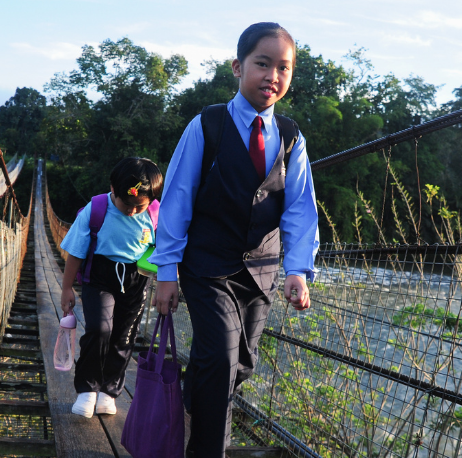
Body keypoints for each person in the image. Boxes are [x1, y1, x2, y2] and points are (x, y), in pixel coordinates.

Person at [148, 22, 320, 457]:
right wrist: (166, 273)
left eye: (284, 68)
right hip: (207, 267)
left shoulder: (291, 136)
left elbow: (299, 206)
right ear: (237, 67)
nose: (272, 77)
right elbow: (176, 201)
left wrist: (298, 269)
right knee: (222, 360)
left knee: (240, 365)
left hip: (261, 270)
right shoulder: (207, 125)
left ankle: (194, 399)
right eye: (262, 64)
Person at [59, 157, 164, 418]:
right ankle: (87, 389)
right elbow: (75, 252)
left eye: (138, 206)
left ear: (150, 199)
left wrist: (163, 284)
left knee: (124, 336)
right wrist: (66, 288)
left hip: (136, 279)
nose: (131, 211)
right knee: (99, 329)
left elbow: (165, 251)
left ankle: (108, 391)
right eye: (126, 204)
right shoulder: (96, 209)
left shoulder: (154, 213)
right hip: (100, 277)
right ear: (113, 190)